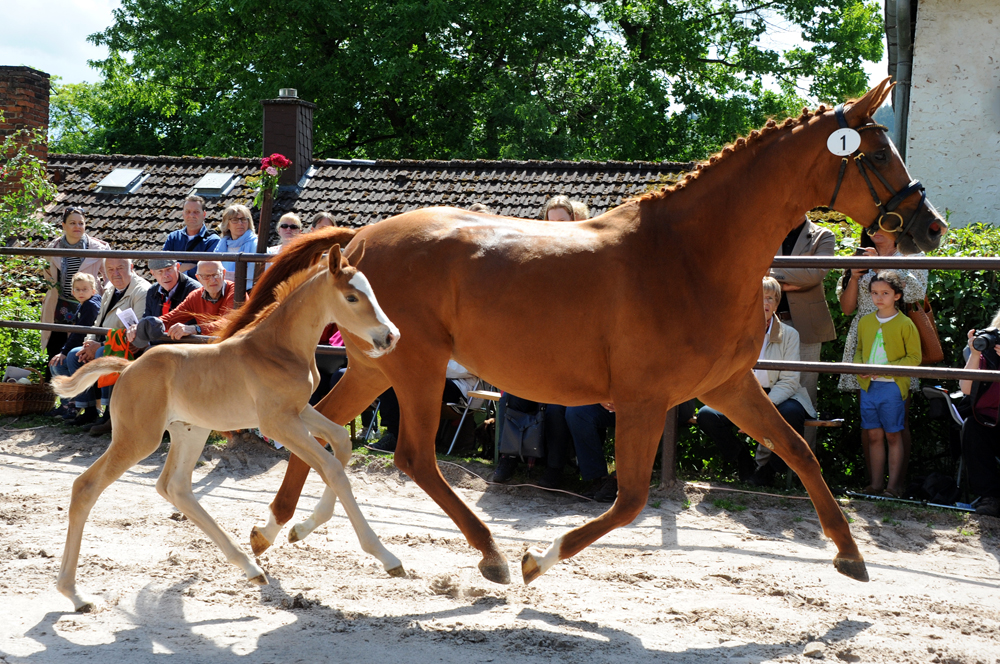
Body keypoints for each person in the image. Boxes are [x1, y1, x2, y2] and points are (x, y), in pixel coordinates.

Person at [696, 277, 815, 484]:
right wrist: (746, 411)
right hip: (742, 394)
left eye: (770, 298)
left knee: (792, 414)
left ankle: (769, 472)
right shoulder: (735, 332)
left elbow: (789, 381)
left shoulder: (790, 335)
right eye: (759, 298)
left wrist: (760, 409)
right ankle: (743, 460)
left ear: (777, 304)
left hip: (780, 394)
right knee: (707, 415)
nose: (765, 303)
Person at [837, 226, 927, 486]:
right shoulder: (860, 256)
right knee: (870, 423)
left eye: (884, 226)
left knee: (899, 420)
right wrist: (854, 276)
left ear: (899, 229)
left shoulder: (913, 257)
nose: (876, 231)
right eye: (871, 226)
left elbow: (915, 295)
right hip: (863, 337)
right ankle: (873, 483)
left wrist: (881, 267)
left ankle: (896, 485)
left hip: (897, 336)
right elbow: (846, 308)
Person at [50, 258, 152, 430]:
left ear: (132, 267)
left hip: (128, 346)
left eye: (120, 268)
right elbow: (97, 323)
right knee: (75, 355)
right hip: (105, 341)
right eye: (110, 269)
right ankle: (88, 409)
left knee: (102, 354)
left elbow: (139, 328)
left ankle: (109, 413)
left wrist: (100, 345)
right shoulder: (110, 288)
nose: (115, 273)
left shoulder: (141, 290)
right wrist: (89, 342)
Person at [766, 215, 836, 454]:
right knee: (765, 390)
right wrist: (794, 278)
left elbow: (813, 275)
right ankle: (765, 461)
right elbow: (753, 268)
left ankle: (804, 462)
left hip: (805, 326)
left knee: (805, 396)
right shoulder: (768, 229)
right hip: (767, 322)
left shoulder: (823, 235)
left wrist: (772, 275)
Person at [853, 270, 922, 497]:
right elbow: (860, 350)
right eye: (874, 293)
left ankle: (893, 488)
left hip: (893, 387)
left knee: (893, 435)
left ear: (897, 296)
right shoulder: (865, 321)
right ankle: (875, 485)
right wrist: (860, 369)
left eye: (885, 293)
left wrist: (884, 369)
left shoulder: (905, 323)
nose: (879, 297)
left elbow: (914, 358)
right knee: (873, 434)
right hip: (869, 388)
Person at [40, 207, 109, 376]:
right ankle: (55, 396)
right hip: (59, 305)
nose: (77, 226)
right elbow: (47, 274)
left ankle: (76, 398)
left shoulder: (98, 248)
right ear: (63, 225)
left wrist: (104, 300)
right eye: (72, 223)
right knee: (55, 350)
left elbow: (109, 278)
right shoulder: (53, 247)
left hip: (87, 306)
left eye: (81, 223)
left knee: (78, 353)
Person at [367, 361, 484, 453]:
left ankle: (400, 437)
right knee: (395, 376)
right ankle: (394, 434)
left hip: (461, 391)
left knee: (415, 376)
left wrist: (428, 364)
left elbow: (469, 368)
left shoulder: (472, 342)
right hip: (435, 379)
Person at [132, 261, 236, 345]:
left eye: (216, 275)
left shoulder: (235, 291)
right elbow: (172, 318)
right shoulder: (195, 296)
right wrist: (142, 327)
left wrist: (195, 329)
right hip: (211, 349)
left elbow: (229, 322)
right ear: (198, 278)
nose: (212, 280)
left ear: (224, 274)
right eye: (206, 277)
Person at [959, 313, 1000, 517]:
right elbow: (966, 389)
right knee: (972, 428)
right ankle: (989, 497)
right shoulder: (986, 355)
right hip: (988, 421)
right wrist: (975, 354)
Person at [47, 273, 102, 419]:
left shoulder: (91, 306)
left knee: (60, 363)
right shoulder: (82, 305)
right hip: (84, 343)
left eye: (85, 289)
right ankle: (68, 402)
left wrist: (64, 352)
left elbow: (80, 333)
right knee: (56, 363)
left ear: (93, 290)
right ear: (72, 291)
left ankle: (72, 403)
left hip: (92, 344)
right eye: (77, 289)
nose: (81, 292)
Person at [163, 195, 221, 277]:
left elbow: (206, 270)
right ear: (183, 214)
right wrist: (189, 266)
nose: (191, 215)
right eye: (188, 211)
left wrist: (177, 270)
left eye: (196, 212)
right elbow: (163, 265)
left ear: (204, 214)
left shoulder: (213, 241)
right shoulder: (173, 237)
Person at [212, 204, 257, 291]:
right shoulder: (221, 245)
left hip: (249, 293)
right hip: (222, 292)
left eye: (243, 219)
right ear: (227, 224)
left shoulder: (257, 245)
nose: (240, 223)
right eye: (235, 220)